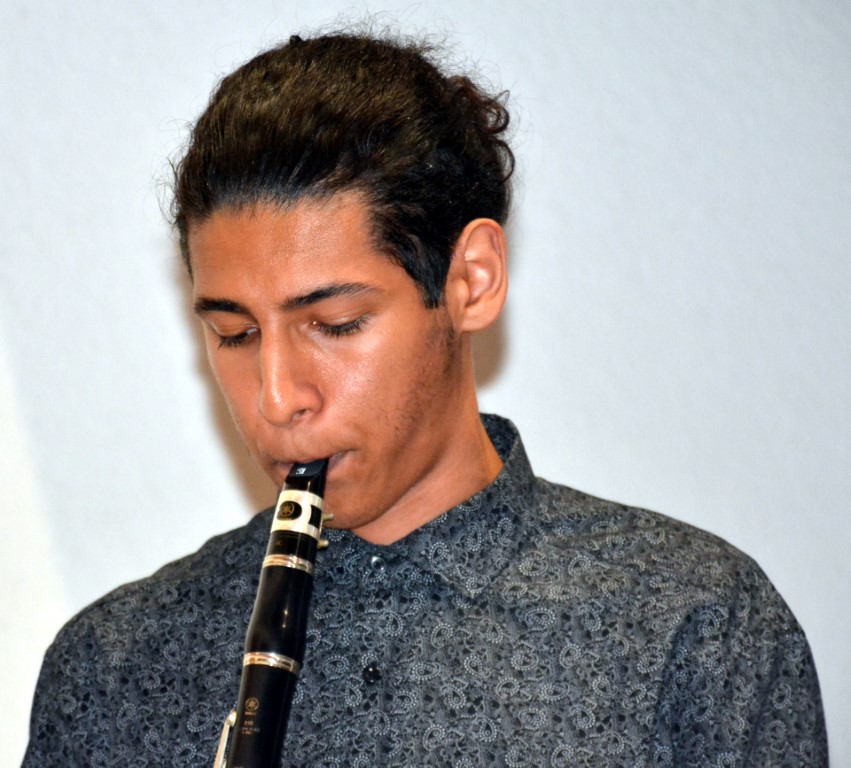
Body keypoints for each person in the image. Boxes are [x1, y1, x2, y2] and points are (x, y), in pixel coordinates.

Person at [24, 30, 827, 767]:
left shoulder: (696, 626)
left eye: (335, 324)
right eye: (234, 335)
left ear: (471, 279)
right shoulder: (110, 668)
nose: (276, 398)